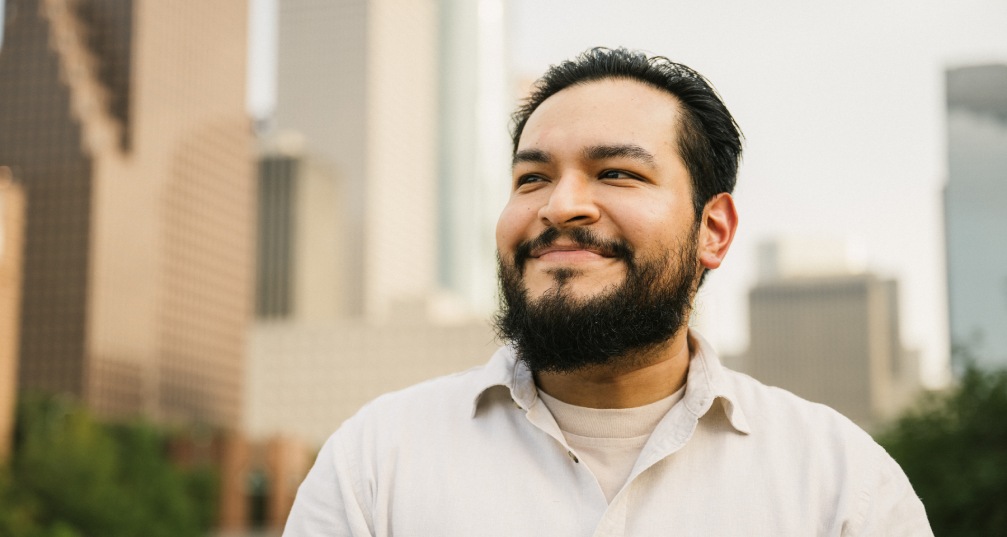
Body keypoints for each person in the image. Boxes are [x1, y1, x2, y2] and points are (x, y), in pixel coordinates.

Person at [283, 47, 933, 536]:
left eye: (615, 172)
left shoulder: (843, 484)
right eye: (531, 177)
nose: (561, 205)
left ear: (713, 229)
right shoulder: (372, 462)